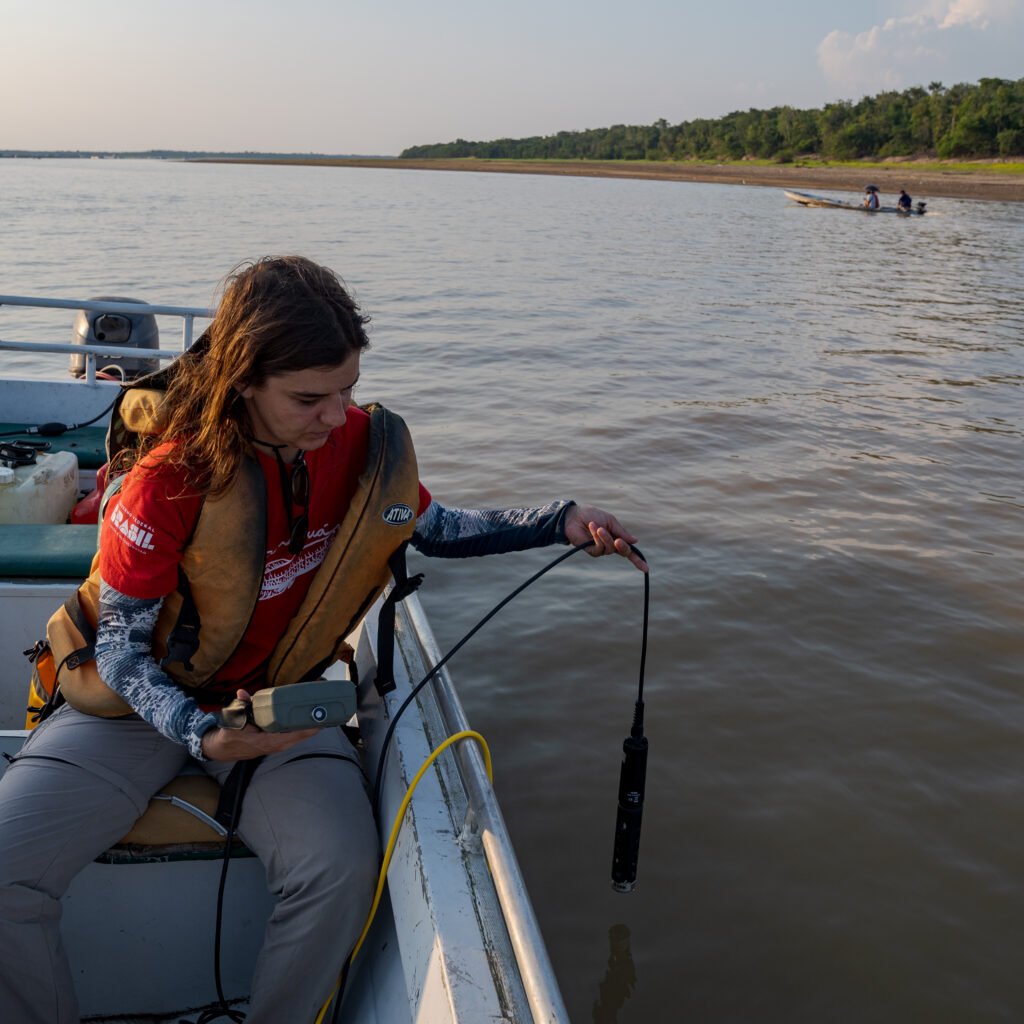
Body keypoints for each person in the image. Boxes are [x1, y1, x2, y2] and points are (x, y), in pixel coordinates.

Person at [0, 256, 646, 1024]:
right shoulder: (165, 480)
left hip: (283, 703)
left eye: (347, 389)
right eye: (309, 398)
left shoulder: (362, 445)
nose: (337, 415)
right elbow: (121, 654)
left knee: (339, 871)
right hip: (140, 710)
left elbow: (434, 527)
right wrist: (203, 735)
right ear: (243, 381)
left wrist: (560, 520)